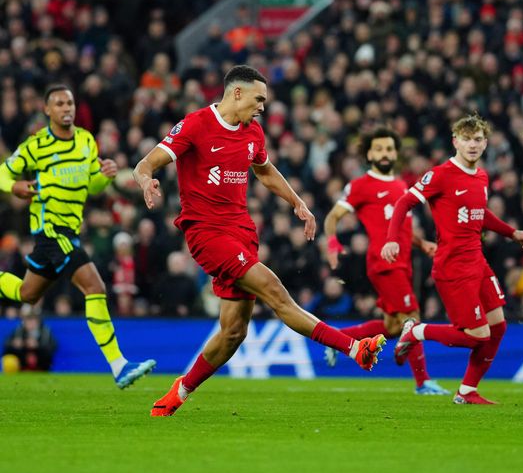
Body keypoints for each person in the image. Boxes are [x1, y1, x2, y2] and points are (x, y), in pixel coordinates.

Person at [133, 65, 385, 417]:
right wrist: (146, 180)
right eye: (258, 98)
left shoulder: (253, 133)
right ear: (236, 93)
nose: (263, 106)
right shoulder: (195, 125)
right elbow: (146, 163)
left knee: (234, 332)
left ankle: (180, 390)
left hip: (241, 233)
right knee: (275, 292)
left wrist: (297, 202)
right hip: (207, 234)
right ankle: (354, 347)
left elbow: (265, 171)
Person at [0, 84, 156, 388]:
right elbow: (3, 173)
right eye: (59, 103)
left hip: (69, 230)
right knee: (94, 285)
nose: (66, 108)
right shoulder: (36, 146)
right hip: (50, 231)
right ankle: (119, 365)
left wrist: (103, 176)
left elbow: (91, 187)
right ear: (47, 110)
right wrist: (14, 187)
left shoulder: (86, 141)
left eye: (69, 102)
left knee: (28, 293)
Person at [381, 114, 523, 405]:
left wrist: (512, 233)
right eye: (466, 139)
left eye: (478, 139)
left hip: (478, 261)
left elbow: (479, 213)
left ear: (486, 143)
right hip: (453, 266)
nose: (472, 145)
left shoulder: (482, 176)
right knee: (477, 336)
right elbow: (403, 202)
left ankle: (466, 391)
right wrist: (391, 239)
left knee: (498, 327)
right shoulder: (440, 175)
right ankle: (416, 330)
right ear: (455, 142)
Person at [321, 127, 448, 395]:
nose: (385, 153)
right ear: (368, 153)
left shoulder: (402, 184)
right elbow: (332, 217)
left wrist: (420, 242)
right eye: (378, 149)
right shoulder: (359, 186)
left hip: (403, 261)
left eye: (389, 148)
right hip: (383, 262)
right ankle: (423, 382)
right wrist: (333, 243)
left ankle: (337, 339)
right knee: (412, 318)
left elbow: (400, 227)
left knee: (392, 326)